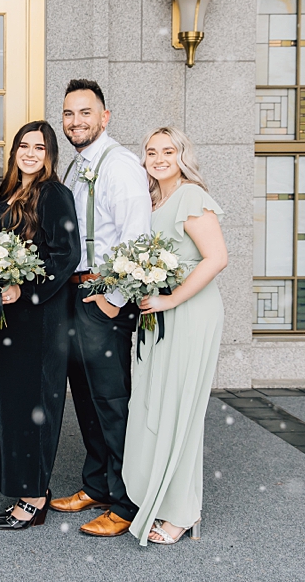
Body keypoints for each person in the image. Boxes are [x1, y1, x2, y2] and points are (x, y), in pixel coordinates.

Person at [48, 79, 152, 537]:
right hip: (76, 295)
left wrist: (114, 300)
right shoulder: (76, 166)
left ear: (104, 117)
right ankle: (98, 484)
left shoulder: (119, 165)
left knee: (112, 402)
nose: (76, 122)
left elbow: (137, 238)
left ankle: (128, 503)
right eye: (69, 114)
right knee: (87, 399)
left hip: (103, 297)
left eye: (85, 113)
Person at [0, 120, 81, 530]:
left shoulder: (54, 194)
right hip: (7, 318)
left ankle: (35, 497)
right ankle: (22, 484)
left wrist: (26, 287)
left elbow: (66, 255)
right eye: (24, 146)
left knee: (35, 404)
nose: (31, 154)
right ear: (15, 151)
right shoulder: (8, 195)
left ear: (50, 155)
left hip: (39, 318)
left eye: (39, 147)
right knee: (13, 404)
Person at [123, 127, 227, 545]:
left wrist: (171, 299)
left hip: (190, 313)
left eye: (168, 151)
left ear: (183, 155)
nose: (159, 159)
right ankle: (160, 497)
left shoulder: (191, 196)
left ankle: (183, 511)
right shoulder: (153, 201)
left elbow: (216, 258)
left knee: (180, 410)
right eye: (152, 152)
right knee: (157, 405)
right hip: (159, 315)